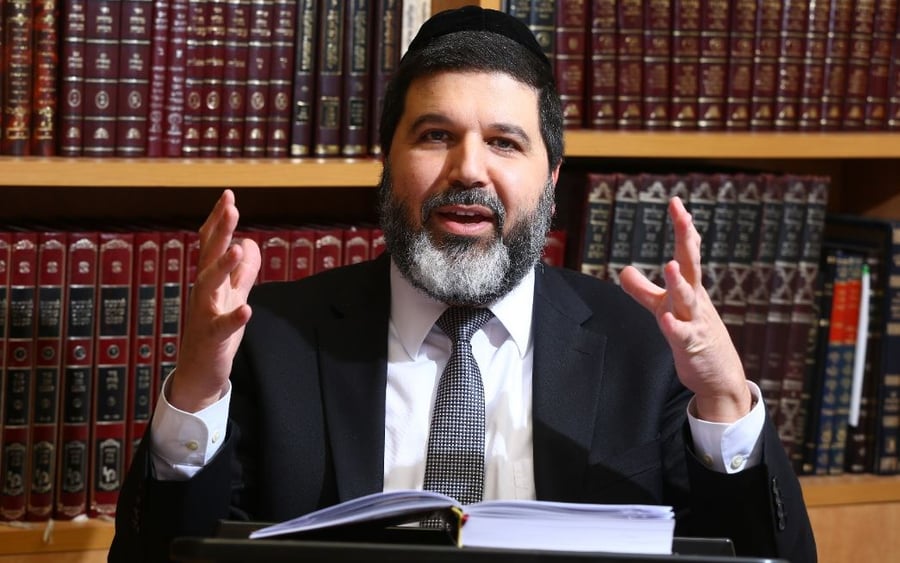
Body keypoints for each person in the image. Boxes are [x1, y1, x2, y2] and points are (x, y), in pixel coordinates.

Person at [110, 6, 816, 563]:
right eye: (435, 136)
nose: (469, 170)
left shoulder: (643, 345)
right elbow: (163, 555)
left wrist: (725, 401)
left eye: (504, 142)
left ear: (551, 177)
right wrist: (196, 392)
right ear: (387, 162)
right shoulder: (274, 338)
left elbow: (763, 556)